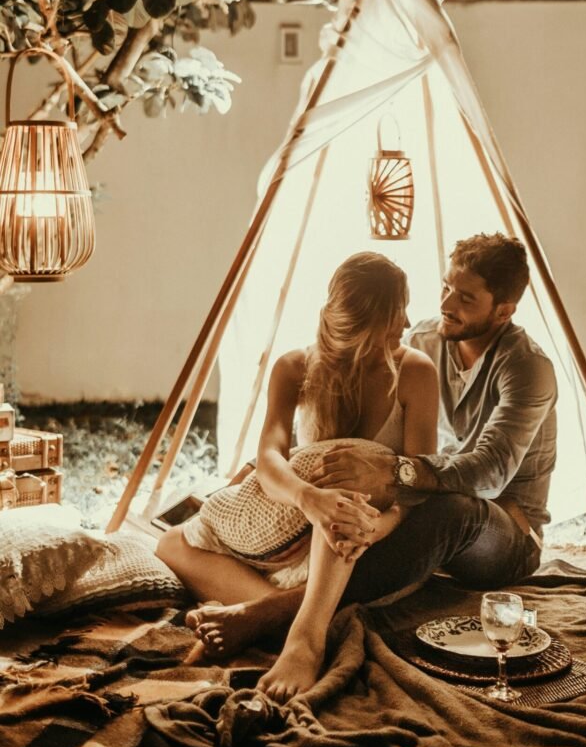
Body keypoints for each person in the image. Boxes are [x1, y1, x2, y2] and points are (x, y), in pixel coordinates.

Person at [157, 251, 440, 701]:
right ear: (364, 322)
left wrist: (373, 527)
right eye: (396, 312)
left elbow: (419, 484)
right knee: (172, 543)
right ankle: (273, 614)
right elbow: (269, 456)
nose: (406, 324)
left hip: (365, 539)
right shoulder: (294, 367)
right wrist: (307, 498)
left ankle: (303, 639)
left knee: (346, 475)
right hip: (297, 526)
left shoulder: (416, 372)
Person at [310, 232, 557, 571]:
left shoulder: (528, 368)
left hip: (502, 531)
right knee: (360, 506)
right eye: (446, 288)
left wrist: (395, 471)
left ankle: (283, 608)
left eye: (466, 299)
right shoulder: (420, 343)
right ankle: (305, 590)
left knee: (453, 510)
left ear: (503, 312)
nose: (446, 305)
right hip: (428, 507)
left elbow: (490, 472)